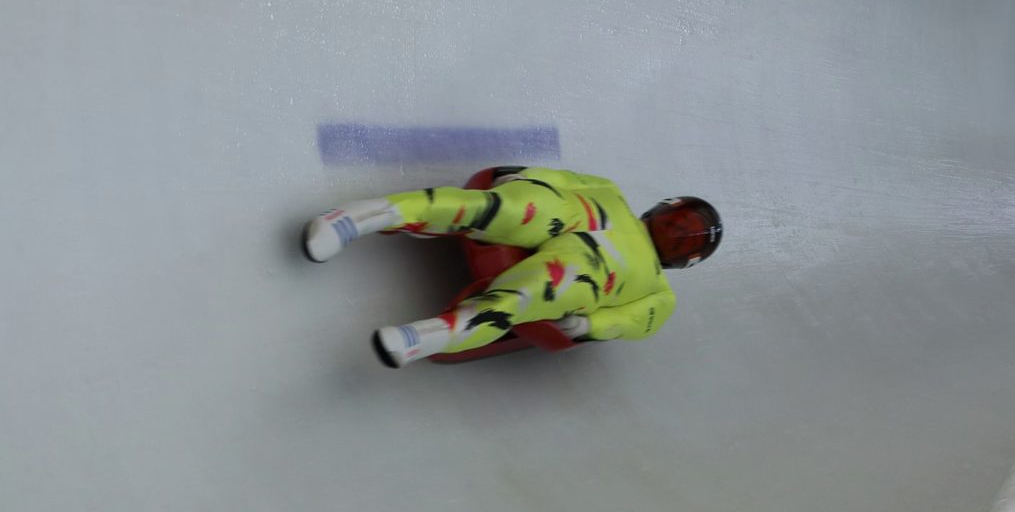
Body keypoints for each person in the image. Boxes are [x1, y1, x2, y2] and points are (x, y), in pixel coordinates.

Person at [302, 167, 722, 367]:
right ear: (663, 209)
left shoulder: (659, 294)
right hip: (573, 213)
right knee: (503, 208)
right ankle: (365, 216)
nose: (675, 236)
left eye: (682, 239)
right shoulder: (611, 190)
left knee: (533, 292)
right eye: (675, 226)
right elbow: (563, 179)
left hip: (591, 270)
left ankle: (426, 336)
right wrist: (524, 176)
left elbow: (634, 320)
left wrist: (589, 327)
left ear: (685, 260)